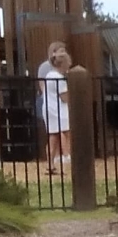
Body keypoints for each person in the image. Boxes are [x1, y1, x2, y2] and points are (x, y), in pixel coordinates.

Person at [36, 40, 73, 171]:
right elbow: (64, 98)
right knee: (67, 133)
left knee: (53, 136)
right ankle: (68, 157)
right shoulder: (59, 78)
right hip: (58, 110)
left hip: (49, 108)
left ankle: (50, 163)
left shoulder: (49, 75)